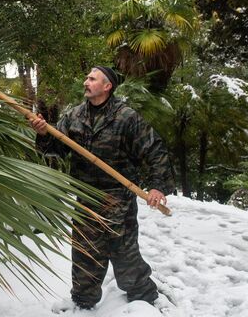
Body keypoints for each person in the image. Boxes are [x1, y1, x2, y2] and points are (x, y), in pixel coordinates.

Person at [29, 66, 175, 311]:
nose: (86, 81)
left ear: (107, 86)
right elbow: (54, 151)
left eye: (92, 78)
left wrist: (158, 187)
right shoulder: (73, 116)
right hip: (86, 196)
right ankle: (83, 303)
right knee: (85, 251)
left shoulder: (126, 117)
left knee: (123, 253)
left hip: (118, 196)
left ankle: (146, 299)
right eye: (86, 77)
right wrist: (43, 134)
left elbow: (154, 149)